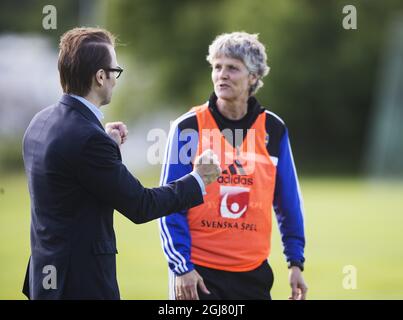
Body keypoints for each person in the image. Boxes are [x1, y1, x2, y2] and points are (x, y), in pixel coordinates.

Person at [22, 27, 220, 300]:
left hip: (45, 279)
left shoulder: (41, 122)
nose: (116, 79)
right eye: (115, 71)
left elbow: (69, 176)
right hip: (81, 284)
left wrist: (107, 144)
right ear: (100, 77)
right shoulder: (89, 140)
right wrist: (198, 178)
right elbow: (141, 205)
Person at [159, 32, 307, 300]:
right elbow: (170, 205)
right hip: (198, 275)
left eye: (232, 68)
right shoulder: (188, 127)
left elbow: (289, 202)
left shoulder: (274, 129)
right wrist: (182, 268)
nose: (222, 75)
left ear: (253, 77)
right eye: (217, 67)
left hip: (254, 275)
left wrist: (295, 261)